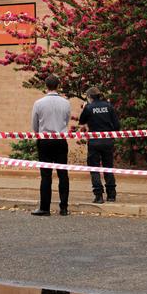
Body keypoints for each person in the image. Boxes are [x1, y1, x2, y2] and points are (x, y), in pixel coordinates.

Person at [31, 75, 71, 216]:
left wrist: (40, 134)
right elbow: (66, 121)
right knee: (63, 174)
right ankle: (64, 207)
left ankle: (45, 208)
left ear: (46, 86)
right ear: (58, 86)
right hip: (60, 140)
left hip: (45, 141)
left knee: (46, 175)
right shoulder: (66, 103)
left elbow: (34, 125)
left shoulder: (38, 103)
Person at [78, 87, 120, 203]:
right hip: (107, 141)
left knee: (94, 168)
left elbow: (81, 121)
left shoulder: (89, 107)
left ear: (89, 97)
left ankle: (98, 195)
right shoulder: (108, 106)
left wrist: (84, 108)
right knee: (108, 167)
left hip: (94, 142)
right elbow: (117, 125)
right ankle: (111, 194)